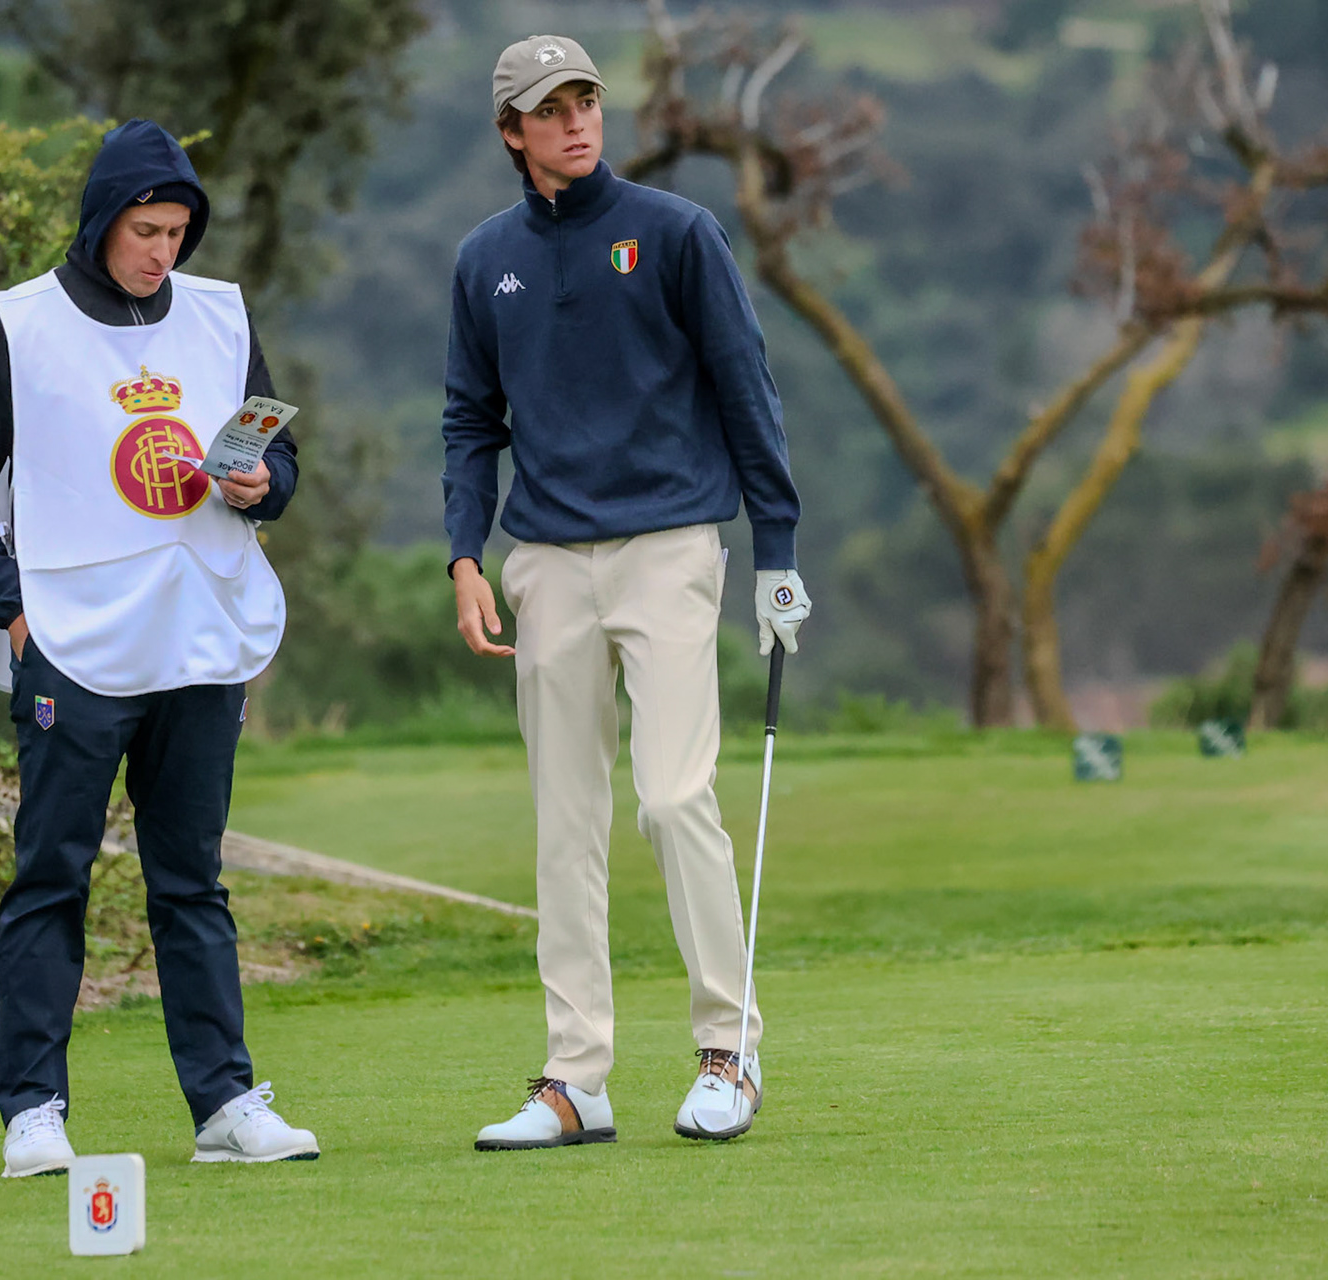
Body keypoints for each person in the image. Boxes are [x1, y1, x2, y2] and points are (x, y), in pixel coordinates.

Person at [0, 119, 319, 1177]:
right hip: (73, 647)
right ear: (102, 220)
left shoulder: (220, 313)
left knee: (192, 880)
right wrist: (13, 609)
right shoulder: (14, 325)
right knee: (50, 879)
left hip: (202, 640)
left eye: (179, 233)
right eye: (147, 231)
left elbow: (279, 463)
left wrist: (261, 483)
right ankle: (32, 1110)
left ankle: (225, 1102)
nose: (163, 253)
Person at [441, 35, 812, 1150]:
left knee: (670, 796)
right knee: (565, 821)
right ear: (512, 130)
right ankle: (575, 1079)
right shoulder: (485, 259)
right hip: (547, 561)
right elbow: (470, 420)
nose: (575, 122)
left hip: (669, 546)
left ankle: (729, 1049)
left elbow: (746, 385)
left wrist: (777, 549)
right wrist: (466, 555)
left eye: (586, 101)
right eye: (550, 108)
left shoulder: (675, 233)